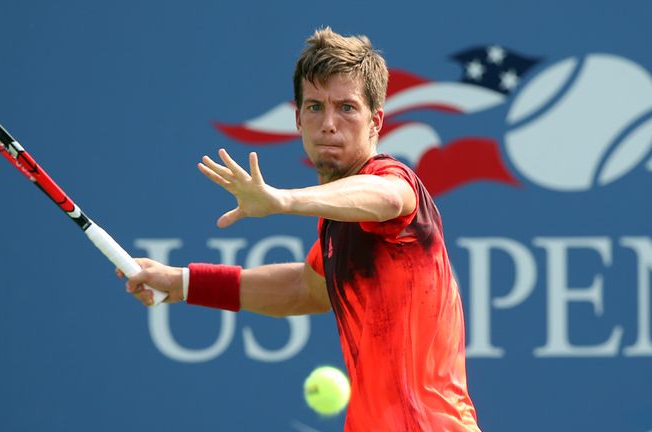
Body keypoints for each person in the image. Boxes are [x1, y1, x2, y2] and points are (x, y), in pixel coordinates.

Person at [122, 27, 480, 431]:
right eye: (315, 107)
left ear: (375, 121)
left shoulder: (391, 179)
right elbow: (303, 289)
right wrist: (183, 283)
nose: (328, 123)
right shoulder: (336, 221)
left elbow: (389, 197)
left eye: (347, 108)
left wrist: (283, 200)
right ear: (298, 119)